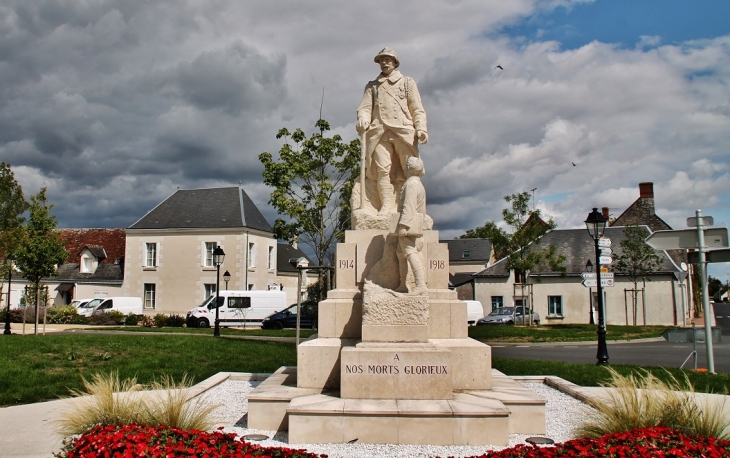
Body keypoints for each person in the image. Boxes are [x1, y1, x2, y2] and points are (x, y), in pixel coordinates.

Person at [357, 47, 428, 216]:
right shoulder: (372, 86)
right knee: (382, 170)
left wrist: (421, 128)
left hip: (403, 130)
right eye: (381, 60)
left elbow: (417, 108)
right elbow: (365, 108)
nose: (384, 63)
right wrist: (363, 118)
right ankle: (387, 205)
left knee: (410, 170)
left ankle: (410, 207)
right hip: (379, 131)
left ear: (395, 63)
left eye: (388, 60)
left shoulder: (407, 83)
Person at [395, 156, 427, 295]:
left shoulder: (411, 184)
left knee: (410, 253)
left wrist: (403, 225)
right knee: (400, 253)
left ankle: (420, 285)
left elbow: (409, 206)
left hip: (409, 226)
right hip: (413, 224)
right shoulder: (417, 182)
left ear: (408, 168)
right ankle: (403, 284)